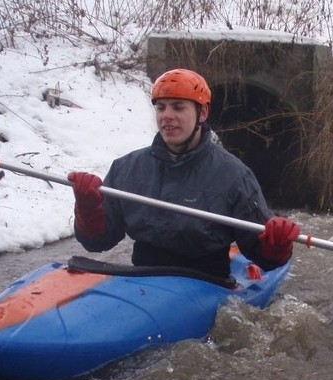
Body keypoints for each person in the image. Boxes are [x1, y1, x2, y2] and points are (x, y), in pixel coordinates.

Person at [67, 68, 300, 280]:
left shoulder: (235, 176)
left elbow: (265, 259)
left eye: (178, 107)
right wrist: (88, 209)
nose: (167, 116)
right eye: (161, 107)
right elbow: (97, 242)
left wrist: (277, 245)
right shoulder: (126, 168)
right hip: (142, 279)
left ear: (203, 113)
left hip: (207, 283)